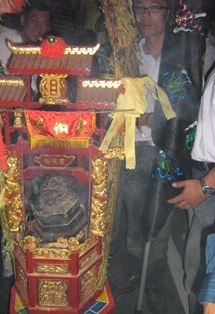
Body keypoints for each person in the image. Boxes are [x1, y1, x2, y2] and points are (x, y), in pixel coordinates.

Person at [109, 0, 202, 312]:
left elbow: (187, 109)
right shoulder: (125, 53)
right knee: (128, 222)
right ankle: (136, 272)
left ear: (169, 12)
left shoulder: (184, 55)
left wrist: (148, 119)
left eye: (154, 8)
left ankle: (153, 277)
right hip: (126, 149)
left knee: (157, 224)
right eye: (140, 8)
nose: (144, 15)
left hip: (163, 152)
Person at [168, 65, 215, 313]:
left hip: (211, 180)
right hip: (205, 171)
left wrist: (206, 187)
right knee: (197, 263)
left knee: (202, 274)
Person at [0, 0, 51, 74]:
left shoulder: (43, 53)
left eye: (44, 23)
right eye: (35, 20)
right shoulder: (0, 35)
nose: (38, 27)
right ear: (23, 20)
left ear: (47, 28)